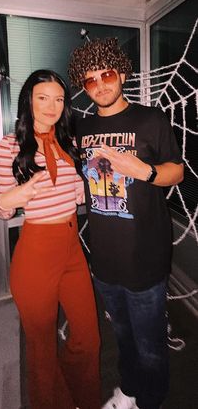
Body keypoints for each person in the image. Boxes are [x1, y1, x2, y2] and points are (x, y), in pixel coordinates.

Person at [68, 38, 184, 409]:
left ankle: (151, 400)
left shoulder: (151, 119)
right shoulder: (82, 129)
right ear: (83, 87)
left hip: (145, 258)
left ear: (120, 72)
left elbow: (177, 172)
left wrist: (144, 170)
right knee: (122, 337)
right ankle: (129, 392)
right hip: (103, 260)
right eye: (90, 80)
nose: (100, 84)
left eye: (107, 74)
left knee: (150, 345)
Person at [0, 69, 101, 409]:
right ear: (29, 101)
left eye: (58, 99)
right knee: (41, 348)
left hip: (71, 248)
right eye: (43, 97)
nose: (52, 106)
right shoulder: (7, 147)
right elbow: (0, 209)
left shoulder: (67, 143)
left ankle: (76, 389)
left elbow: (78, 195)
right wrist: (12, 198)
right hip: (36, 252)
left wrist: (100, 177)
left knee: (88, 337)